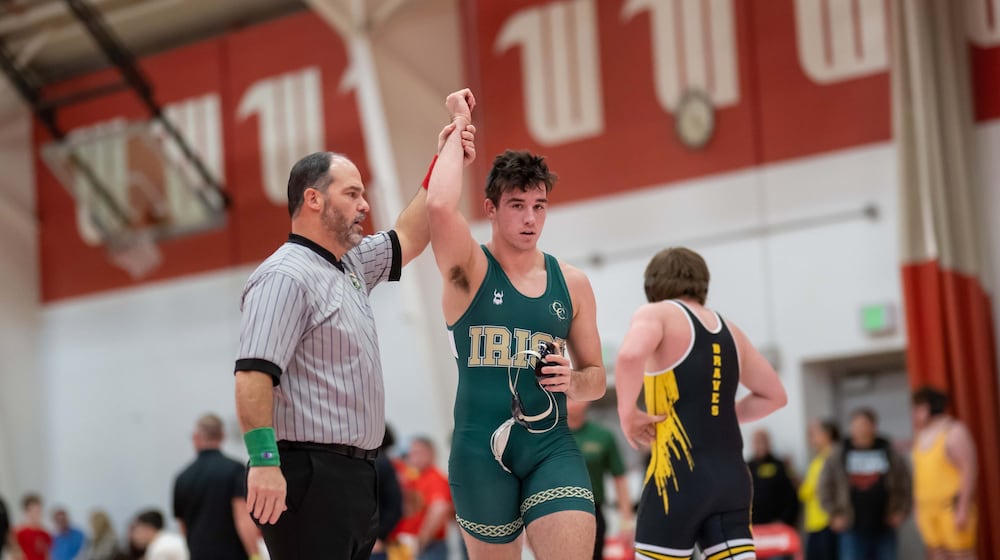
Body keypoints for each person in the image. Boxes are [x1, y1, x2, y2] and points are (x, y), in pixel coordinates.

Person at [233, 107, 476, 560]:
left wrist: (446, 155)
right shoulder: (284, 275)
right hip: (307, 471)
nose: (365, 205)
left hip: (357, 475)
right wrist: (264, 462)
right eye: (352, 194)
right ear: (313, 200)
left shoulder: (352, 263)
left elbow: (410, 234)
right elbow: (252, 376)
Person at [426, 89, 607, 559]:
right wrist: (457, 126)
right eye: (517, 205)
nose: (530, 219)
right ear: (491, 208)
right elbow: (440, 209)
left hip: (551, 447)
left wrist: (574, 380)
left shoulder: (572, 283)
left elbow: (596, 380)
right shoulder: (470, 272)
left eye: (539, 206)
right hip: (478, 452)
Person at [614, 247, 788, 560]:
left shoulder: (657, 314)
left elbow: (628, 355)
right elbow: (775, 396)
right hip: (732, 479)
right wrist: (719, 415)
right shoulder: (732, 331)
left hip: (678, 478)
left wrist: (627, 413)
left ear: (651, 284)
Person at [819, 408, 911, 560]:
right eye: (857, 425)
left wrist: (902, 511)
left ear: (874, 426)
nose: (861, 429)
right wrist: (834, 514)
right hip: (851, 527)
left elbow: (905, 482)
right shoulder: (839, 453)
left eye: (864, 424)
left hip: (884, 526)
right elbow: (825, 486)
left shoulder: (888, 450)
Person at [173, 413, 261, 560]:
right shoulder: (235, 470)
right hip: (233, 554)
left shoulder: (182, 477)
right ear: (222, 436)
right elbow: (242, 517)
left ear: (195, 438)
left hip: (198, 554)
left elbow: (183, 526)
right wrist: (255, 555)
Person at [911, 386, 977, 560]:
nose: (915, 413)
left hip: (950, 507)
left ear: (929, 408)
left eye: (918, 408)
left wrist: (963, 507)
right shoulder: (921, 435)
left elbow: (969, 469)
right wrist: (917, 508)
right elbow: (920, 475)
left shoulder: (954, 432)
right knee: (937, 554)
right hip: (928, 508)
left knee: (961, 554)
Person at [566, 399, 633, 560]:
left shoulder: (602, 436)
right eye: (568, 398)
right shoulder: (549, 437)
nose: (574, 403)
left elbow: (619, 478)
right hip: (556, 511)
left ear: (587, 401)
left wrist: (626, 521)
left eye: (578, 399)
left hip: (593, 512)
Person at [393, 437, 454, 560]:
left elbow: (440, 509)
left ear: (431, 453)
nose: (414, 457)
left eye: (419, 452)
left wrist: (420, 542)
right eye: (412, 453)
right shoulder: (416, 478)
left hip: (430, 546)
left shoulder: (435, 478)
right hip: (411, 545)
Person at [799, 420, 840, 560]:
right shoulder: (818, 459)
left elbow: (811, 490)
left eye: (814, 433)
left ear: (827, 435)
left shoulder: (833, 457)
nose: (810, 437)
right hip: (815, 523)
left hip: (828, 522)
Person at [748, 429, 800, 529]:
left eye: (763, 441)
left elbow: (791, 497)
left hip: (778, 526)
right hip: (754, 528)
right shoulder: (747, 467)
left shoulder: (780, 465)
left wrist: (784, 520)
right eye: (757, 441)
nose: (760, 445)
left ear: (769, 442)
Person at [371, 426, 404, 560]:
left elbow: (394, 503)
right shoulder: (381, 461)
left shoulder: (379, 462)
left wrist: (379, 535)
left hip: (374, 540)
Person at [15, 494, 52, 560]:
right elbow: (14, 555)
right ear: (26, 512)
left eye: (39, 511)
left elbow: (47, 555)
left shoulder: (45, 534)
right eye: (34, 511)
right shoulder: (18, 533)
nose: (37, 515)